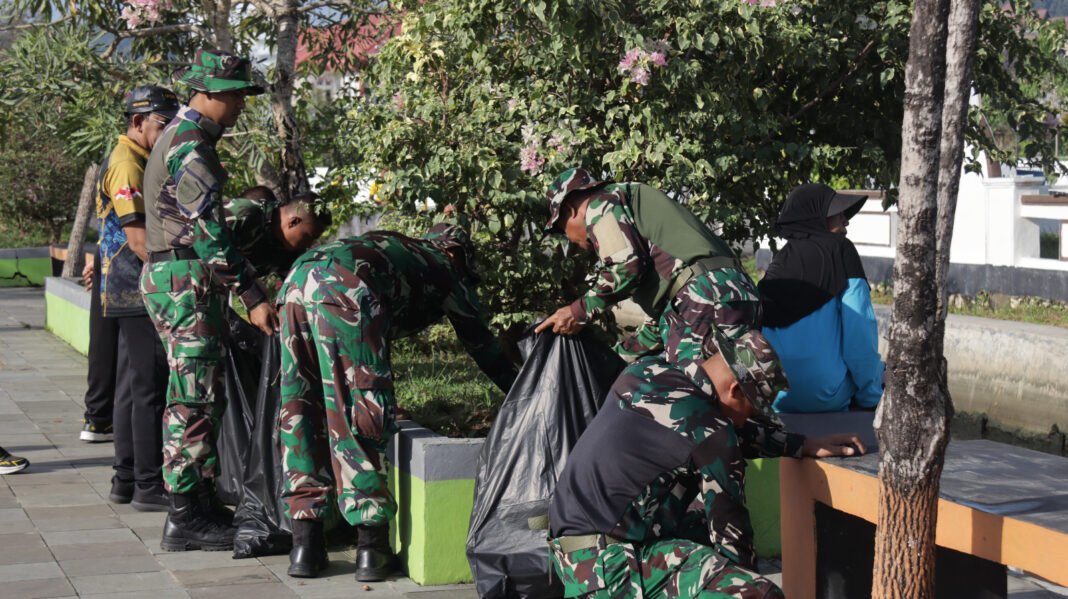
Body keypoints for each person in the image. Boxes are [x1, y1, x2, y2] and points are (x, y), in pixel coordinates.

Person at [278, 224, 518, 581]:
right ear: (456, 253)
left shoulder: (395, 248)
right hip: (344, 287)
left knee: (300, 408)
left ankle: (306, 545)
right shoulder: (445, 267)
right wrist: (522, 390)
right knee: (358, 414)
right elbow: (482, 346)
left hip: (296, 281)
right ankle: (371, 547)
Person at [547, 329, 864, 598]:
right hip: (610, 571)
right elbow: (734, 539)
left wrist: (799, 445)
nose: (746, 421)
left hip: (571, 556)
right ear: (735, 389)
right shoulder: (713, 434)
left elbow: (703, 429)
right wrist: (738, 581)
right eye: (751, 411)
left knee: (698, 524)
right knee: (752, 592)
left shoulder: (647, 371)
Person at [141, 48, 270, 552]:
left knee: (199, 394)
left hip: (179, 279)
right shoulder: (192, 144)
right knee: (193, 398)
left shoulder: (181, 135)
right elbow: (211, 235)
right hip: (184, 281)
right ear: (212, 92)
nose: (240, 107)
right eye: (236, 96)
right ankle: (186, 515)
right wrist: (253, 295)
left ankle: (201, 501)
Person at [536, 168, 761, 386]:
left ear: (570, 210)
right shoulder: (634, 200)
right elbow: (666, 315)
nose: (569, 239)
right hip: (736, 293)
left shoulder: (600, 203)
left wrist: (576, 312)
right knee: (737, 388)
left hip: (703, 297)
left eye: (562, 229)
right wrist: (617, 357)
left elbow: (625, 267)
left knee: (697, 396)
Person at [94, 85, 181, 511]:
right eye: (161, 126)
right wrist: (174, 276)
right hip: (134, 283)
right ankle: (149, 485)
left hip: (126, 284)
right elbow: (138, 238)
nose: (166, 134)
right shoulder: (127, 162)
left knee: (131, 388)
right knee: (149, 388)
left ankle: (126, 480)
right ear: (136, 122)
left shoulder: (138, 156)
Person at [758, 183, 884, 413]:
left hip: (775, 397)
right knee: (884, 371)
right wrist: (871, 399)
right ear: (817, 218)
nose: (846, 221)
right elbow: (860, 338)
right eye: (838, 214)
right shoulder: (841, 250)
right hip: (825, 396)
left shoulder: (779, 260)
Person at [79, 252, 118, 443]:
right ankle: (101, 418)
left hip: (109, 256)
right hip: (130, 260)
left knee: (103, 337)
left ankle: (98, 418)